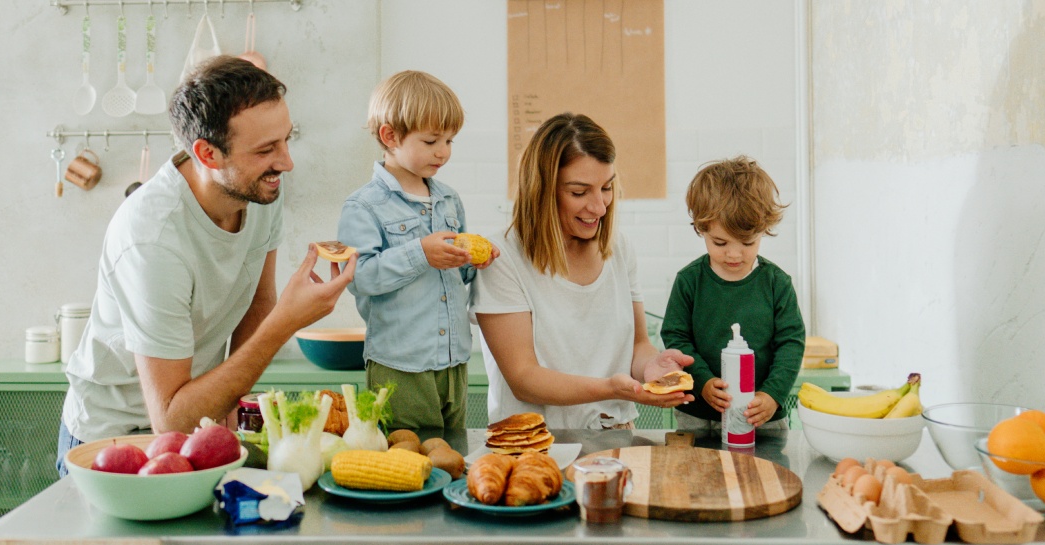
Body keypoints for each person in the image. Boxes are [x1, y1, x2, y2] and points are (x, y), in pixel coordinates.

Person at [57, 56, 355, 474]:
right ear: (207, 154)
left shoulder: (258, 188)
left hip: (198, 424)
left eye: (285, 141)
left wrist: (226, 411)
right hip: (120, 440)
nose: (286, 163)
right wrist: (287, 322)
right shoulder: (153, 238)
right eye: (267, 149)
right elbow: (170, 417)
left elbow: (258, 302)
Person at [471, 112, 693, 429]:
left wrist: (652, 367)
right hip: (532, 446)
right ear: (542, 190)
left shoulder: (619, 249)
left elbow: (638, 346)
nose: (600, 207)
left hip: (615, 436)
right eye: (579, 192)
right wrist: (610, 389)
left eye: (607, 187)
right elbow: (523, 378)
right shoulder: (501, 258)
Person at [337, 70, 497, 430]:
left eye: (450, 141)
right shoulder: (363, 206)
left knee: (450, 456)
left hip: (454, 361)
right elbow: (359, 277)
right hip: (400, 366)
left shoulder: (449, 200)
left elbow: (456, 276)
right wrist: (420, 253)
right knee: (409, 462)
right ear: (390, 136)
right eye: (431, 141)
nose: (443, 152)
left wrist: (474, 261)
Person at [660, 156, 806, 435]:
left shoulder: (777, 283)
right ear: (701, 228)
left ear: (764, 231)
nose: (734, 254)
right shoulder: (689, 281)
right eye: (720, 242)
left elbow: (791, 343)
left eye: (748, 242)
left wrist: (772, 395)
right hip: (698, 417)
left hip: (761, 417)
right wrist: (702, 381)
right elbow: (676, 338)